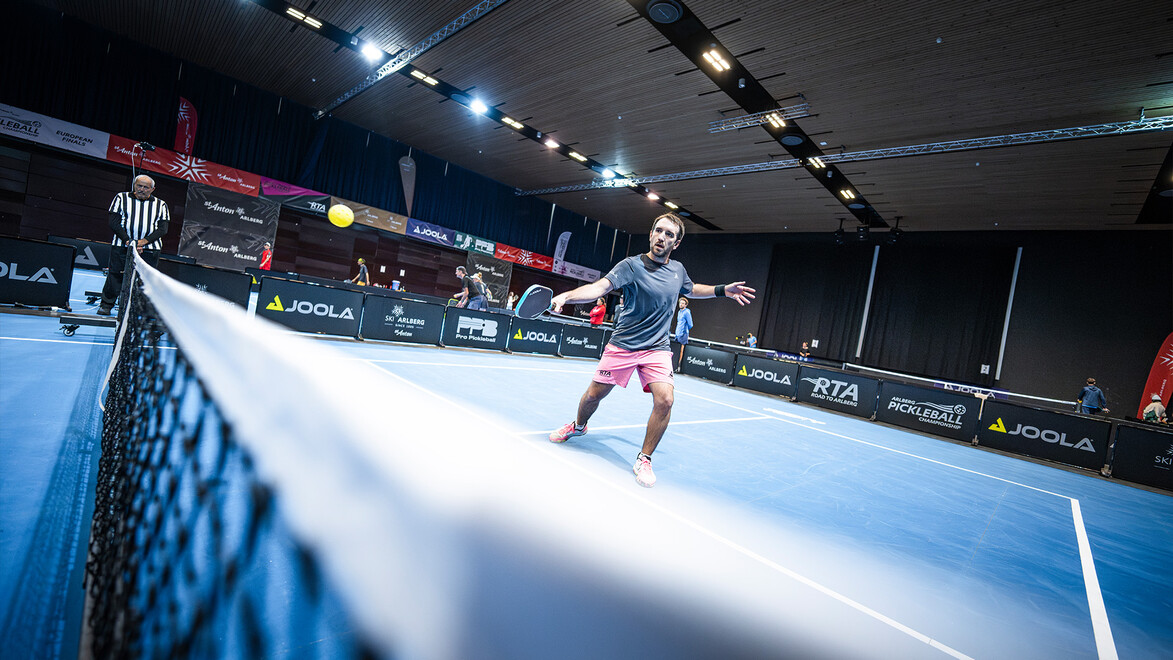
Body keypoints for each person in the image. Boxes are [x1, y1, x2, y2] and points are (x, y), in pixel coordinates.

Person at [547, 213, 755, 487]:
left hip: (657, 348)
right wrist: (567, 296)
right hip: (623, 345)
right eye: (659, 231)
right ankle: (578, 426)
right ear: (651, 234)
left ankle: (644, 458)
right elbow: (600, 287)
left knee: (665, 399)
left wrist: (720, 290)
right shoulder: (630, 266)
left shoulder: (678, 270)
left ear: (676, 243)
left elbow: (691, 290)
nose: (662, 237)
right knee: (593, 395)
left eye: (669, 234)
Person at [98, 175, 170, 315]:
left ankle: (137, 309)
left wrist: (143, 242)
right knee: (115, 274)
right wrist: (129, 241)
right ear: (134, 185)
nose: (141, 189)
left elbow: (163, 229)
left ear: (152, 189)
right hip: (122, 244)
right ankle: (106, 304)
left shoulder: (161, 205)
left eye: (145, 187)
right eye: (139, 186)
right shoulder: (121, 198)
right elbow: (113, 222)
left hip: (150, 248)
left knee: (144, 279)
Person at [673, 296, 692, 372]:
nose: (681, 304)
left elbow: (690, 324)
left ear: (685, 305)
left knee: (681, 350)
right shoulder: (679, 312)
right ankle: (675, 366)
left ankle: (679, 367)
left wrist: (685, 332)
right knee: (676, 350)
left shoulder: (687, 312)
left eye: (683, 303)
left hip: (683, 334)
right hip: (677, 333)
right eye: (680, 303)